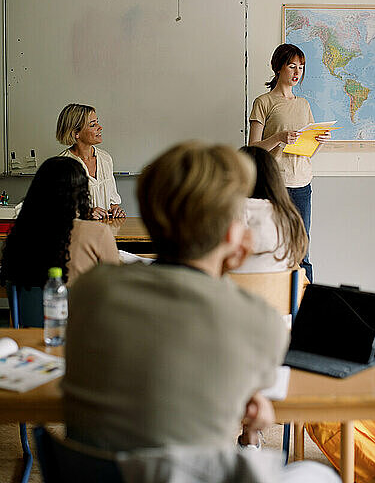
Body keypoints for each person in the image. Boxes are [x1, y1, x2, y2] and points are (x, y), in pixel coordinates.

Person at [63, 141, 339, 483]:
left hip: (97, 475)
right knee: (317, 475)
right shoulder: (259, 322)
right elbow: (252, 399)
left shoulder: (91, 290)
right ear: (232, 234)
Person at [249, 43, 330, 282]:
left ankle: (306, 311)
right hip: (272, 184)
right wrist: (278, 138)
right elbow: (252, 148)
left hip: (301, 184)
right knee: (270, 246)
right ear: (278, 68)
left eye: (301, 67)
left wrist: (319, 141)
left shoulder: (303, 104)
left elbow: (307, 152)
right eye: (292, 66)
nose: (297, 72)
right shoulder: (263, 102)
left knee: (302, 250)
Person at [0, 156, 120, 293]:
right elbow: (114, 287)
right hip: (79, 313)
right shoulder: (98, 233)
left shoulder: (21, 233)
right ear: (82, 193)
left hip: (29, 314)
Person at [233, 146, 308, 274]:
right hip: (277, 292)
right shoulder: (289, 216)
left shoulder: (232, 211)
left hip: (233, 290)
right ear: (274, 177)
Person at [56, 103, 125, 220]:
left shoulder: (105, 159)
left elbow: (113, 201)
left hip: (105, 232)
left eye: (97, 122)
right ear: (75, 133)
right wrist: (85, 213)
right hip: (77, 234)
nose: (100, 127)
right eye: (93, 125)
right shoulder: (62, 165)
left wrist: (115, 209)